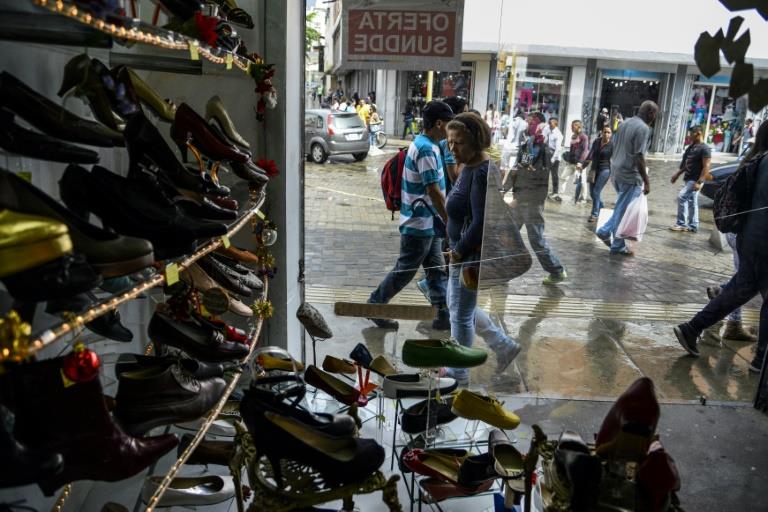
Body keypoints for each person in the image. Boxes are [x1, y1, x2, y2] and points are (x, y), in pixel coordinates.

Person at [674, 121, 768, 372]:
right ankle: (761, 359)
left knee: (738, 291)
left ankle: (691, 328)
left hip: (750, 239)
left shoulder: (758, 159)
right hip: (763, 243)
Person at [443, 112, 522, 381]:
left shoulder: (482, 172)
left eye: (459, 143)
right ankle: (504, 346)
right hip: (461, 251)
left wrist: (459, 250)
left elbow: (480, 222)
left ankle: (458, 371)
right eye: (450, 142)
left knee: (461, 315)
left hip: (470, 255)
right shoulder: (469, 166)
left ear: (476, 141)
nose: (453, 149)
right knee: (457, 307)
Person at [367, 100, 455, 330]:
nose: (451, 129)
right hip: (419, 224)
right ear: (439, 124)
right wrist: (450, 221)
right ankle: (375, 304)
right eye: (449, 124)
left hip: (428, 223)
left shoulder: (429, 144)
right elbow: (433, 191)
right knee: (404, 271)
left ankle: (443, 315)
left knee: (436, 270)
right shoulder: (426, 149)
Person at [508, 114, 568, 285]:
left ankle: (557, 270)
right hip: (521, 200)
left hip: (532, 203)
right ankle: (502, 269)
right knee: (509, 234)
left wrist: (519, 196)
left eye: (531, 122)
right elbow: (520, 170)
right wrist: (507, 187)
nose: (528, 124)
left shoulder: (544, 150)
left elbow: (539, 179)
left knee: (536, 240)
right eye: (528, 121)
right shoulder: (527, 146)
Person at [596, 100, 658, 256]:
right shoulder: (643, 128)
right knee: (623, 211)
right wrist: (646, 181)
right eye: (655, 114)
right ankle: (615, 242)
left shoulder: (624, 123)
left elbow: (614, 146)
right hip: (630, 176)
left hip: (616, 172)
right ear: (650, 113)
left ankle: (608, 234)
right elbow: (639, 156)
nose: (655, 118)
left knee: (621, 208)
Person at [669, 126, 711, 233]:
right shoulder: (691, 147)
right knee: (692, 201)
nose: (689, 136)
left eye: (691, 134)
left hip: (695, 179)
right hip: (688, 178)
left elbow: (706, 166)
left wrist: (699, 182)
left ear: (698, 133)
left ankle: (681, 224)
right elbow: (686, 165)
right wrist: (677, 174)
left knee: (682, 197)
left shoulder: (705, 148)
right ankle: (693, 225)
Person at [584, 125, 613, 223]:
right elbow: (590, 154)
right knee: (592, 193)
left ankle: (594, 214)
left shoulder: (612, 145)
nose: (606, 134)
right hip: (594, 169)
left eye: (608, 132)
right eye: (605, 132)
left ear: (611, 134)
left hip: (605, 170)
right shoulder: (596, 141)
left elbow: (616, 159)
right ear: (602, 132)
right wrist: (583, 165)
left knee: (596, 191)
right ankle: (601, 207)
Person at [559, 120, 590, 202]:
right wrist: (568, 160)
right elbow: (572, 149)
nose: (571, 128)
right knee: (563, 177)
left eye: (573, 126)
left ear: (578, 126)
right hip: (571, 162)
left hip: (579, 164)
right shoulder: (573, 136)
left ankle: (583, 198)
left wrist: (580, 162)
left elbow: (585, 151)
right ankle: (560, 194)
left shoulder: (584, 137)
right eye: (571, 126)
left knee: (582, 181)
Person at [542, 117, 564, 201]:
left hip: (555, 156)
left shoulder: (558, 134)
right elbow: (544, 139)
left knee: (554, 174)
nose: (549, 124)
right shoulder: (549, 130)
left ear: (555, 124)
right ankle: (545, 190)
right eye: (549, 123)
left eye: (551, 123)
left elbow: (558, 149)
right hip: (548, 153)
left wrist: (553, 159)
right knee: (546, 173)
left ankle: (555, 192)